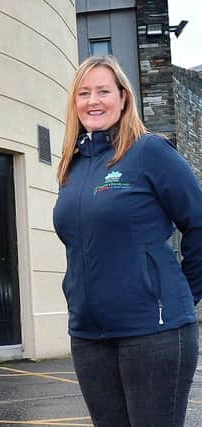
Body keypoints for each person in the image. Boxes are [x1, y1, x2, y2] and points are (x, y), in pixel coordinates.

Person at [53, 55, 201, 427]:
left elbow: (199, 221)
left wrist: (181, 293)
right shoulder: (72, 166)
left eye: (103, 91)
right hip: (89, 335)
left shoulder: (149, 151)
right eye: (84, 93)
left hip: (154, 332)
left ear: (123, 97)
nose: (93, 101)